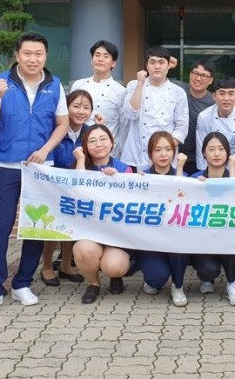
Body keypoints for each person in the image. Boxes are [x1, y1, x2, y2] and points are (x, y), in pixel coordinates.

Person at [0, 32, 69, 315]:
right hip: (6, 166)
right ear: (17, 55)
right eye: (27, 53)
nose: (33, 59)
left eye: (38, 54)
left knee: (36, 227)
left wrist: (45, 150)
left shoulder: (54, 85)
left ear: (45, 56)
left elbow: (62, 124)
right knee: (0, 226)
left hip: (40, 169)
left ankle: (22, 283)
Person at [72, 125, 137, 304]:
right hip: (91, 232)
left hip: (117, 234)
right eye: (92, 141)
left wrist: (118, 180)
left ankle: (116, 277)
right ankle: (93, 283)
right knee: (84, 251)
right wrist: (80, 159)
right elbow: (77, 191)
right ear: (85, 146)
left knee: (114, 266)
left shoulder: (124, 169)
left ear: (111, 143)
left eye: (103, 139)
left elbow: (132, 200)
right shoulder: (80, 167)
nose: (98, 144)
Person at [40, 89, 94, 287]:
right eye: (76, 106)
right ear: (66, 107)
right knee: (52, 228)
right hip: (53, 186)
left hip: (77, 188)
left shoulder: (90, 132)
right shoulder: (56, 130)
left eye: (86, 107)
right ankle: (47, 266)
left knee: (72, 226)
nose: (81, 111)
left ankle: (65, 265)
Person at [136, 130, 190, 307]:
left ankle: (178, 286)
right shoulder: (141, 178)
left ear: (174, 152)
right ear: (150, 153)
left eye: (168, 149)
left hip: (175, 240)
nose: (163, 154)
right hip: (151, 242)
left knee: (180, 244)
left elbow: (185, 198)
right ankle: (152, 275)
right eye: (157, 150)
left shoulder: (184, 177)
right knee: (156, 279)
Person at [190, 132, 235, 305]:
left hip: (228, 239)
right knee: (208, 270)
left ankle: (232, 284)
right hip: (203, 240)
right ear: (203, 153)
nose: (216, 154)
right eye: (211, 149)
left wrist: (233, 171)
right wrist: (196, 189)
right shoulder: (194, 179)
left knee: (228, 237)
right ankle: (207, 279)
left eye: (221, 149)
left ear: (228, 153)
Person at [122, 46, 188, 171]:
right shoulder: (133, 85)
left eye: (161, 62)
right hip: (136, 155)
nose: (157, 66)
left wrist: (165, 149)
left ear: (168, 65)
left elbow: (182, 128)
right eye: (152, 62)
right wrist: (140, 84)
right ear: (147, 65)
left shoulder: (178, 92)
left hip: (165, 159)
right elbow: (131, 114)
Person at [70, 40, 127, 157]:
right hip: (78, 148)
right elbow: (69, 116)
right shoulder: (78, 85)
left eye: (106, 56)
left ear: (113, 63)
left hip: (107, 151)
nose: (100, 59)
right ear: (92, 60)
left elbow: (123, 126)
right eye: (97, 55)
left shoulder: (120, 91)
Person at [195, 78, 235, 174]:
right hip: (214, 170)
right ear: (214, 96)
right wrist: (204, 172)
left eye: (231, 94)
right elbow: (201, 146)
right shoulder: (204, 116)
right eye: (222, 93)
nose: (226, 98)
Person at [174, 59, 216, 176]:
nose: (198, 78)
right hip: (173, 155)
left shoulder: (213, 102)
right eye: (195, 73)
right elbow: (158, 82)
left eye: (204, 75)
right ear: (190, 74)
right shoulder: (178, 89)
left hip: (199, 159)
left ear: (211, 80)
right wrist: (167, 66)